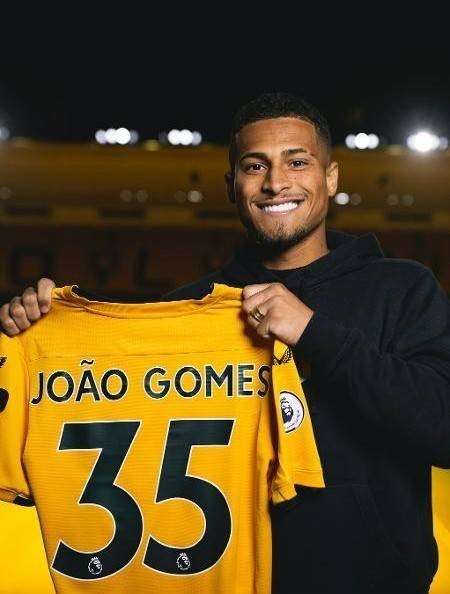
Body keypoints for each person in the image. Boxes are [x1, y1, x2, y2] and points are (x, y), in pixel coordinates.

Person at [2, 92, 450, 594]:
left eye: (297, 162)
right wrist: (33, 347)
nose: (276, 182)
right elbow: (82, 458)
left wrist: (314, 334)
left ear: (330, 177)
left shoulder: (401, 288)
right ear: (232, 185)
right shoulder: (184, 309)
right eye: (255, 166)